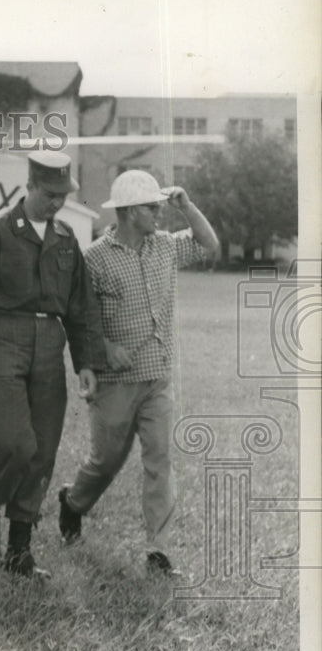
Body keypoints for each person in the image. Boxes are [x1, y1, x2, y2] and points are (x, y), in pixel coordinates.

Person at [0, 150, 106, 578]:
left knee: (43, 450)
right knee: (16, 443)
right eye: (50, 194)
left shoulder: (67, 238)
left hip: (49, 344)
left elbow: (80, 308)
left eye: (62, 195)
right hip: (0, 337)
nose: (56, 202)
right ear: (30, 186)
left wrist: (85, 362)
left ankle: (19, 551)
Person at [56, 170, 219, 577]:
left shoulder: (164, 247)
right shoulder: (93, 257)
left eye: (162, 206)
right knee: (106, 461)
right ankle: (73, 503)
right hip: (113, 382)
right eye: (153, 207)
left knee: (160, 460)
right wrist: (105, 349)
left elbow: (209, 244)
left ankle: (158, 550)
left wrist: (187, 205)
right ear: (129, 212)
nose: (160, 213)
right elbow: (77, 315)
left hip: (157, 377)